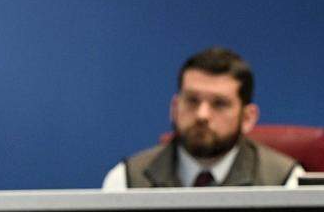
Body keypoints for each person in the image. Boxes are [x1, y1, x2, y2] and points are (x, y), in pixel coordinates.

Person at [102, 47, 302, 189]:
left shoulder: (286, 181)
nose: (202, 115)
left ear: (248, 118)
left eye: (219, 104)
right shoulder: (127, 180)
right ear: (174, 107)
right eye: (192, 100)